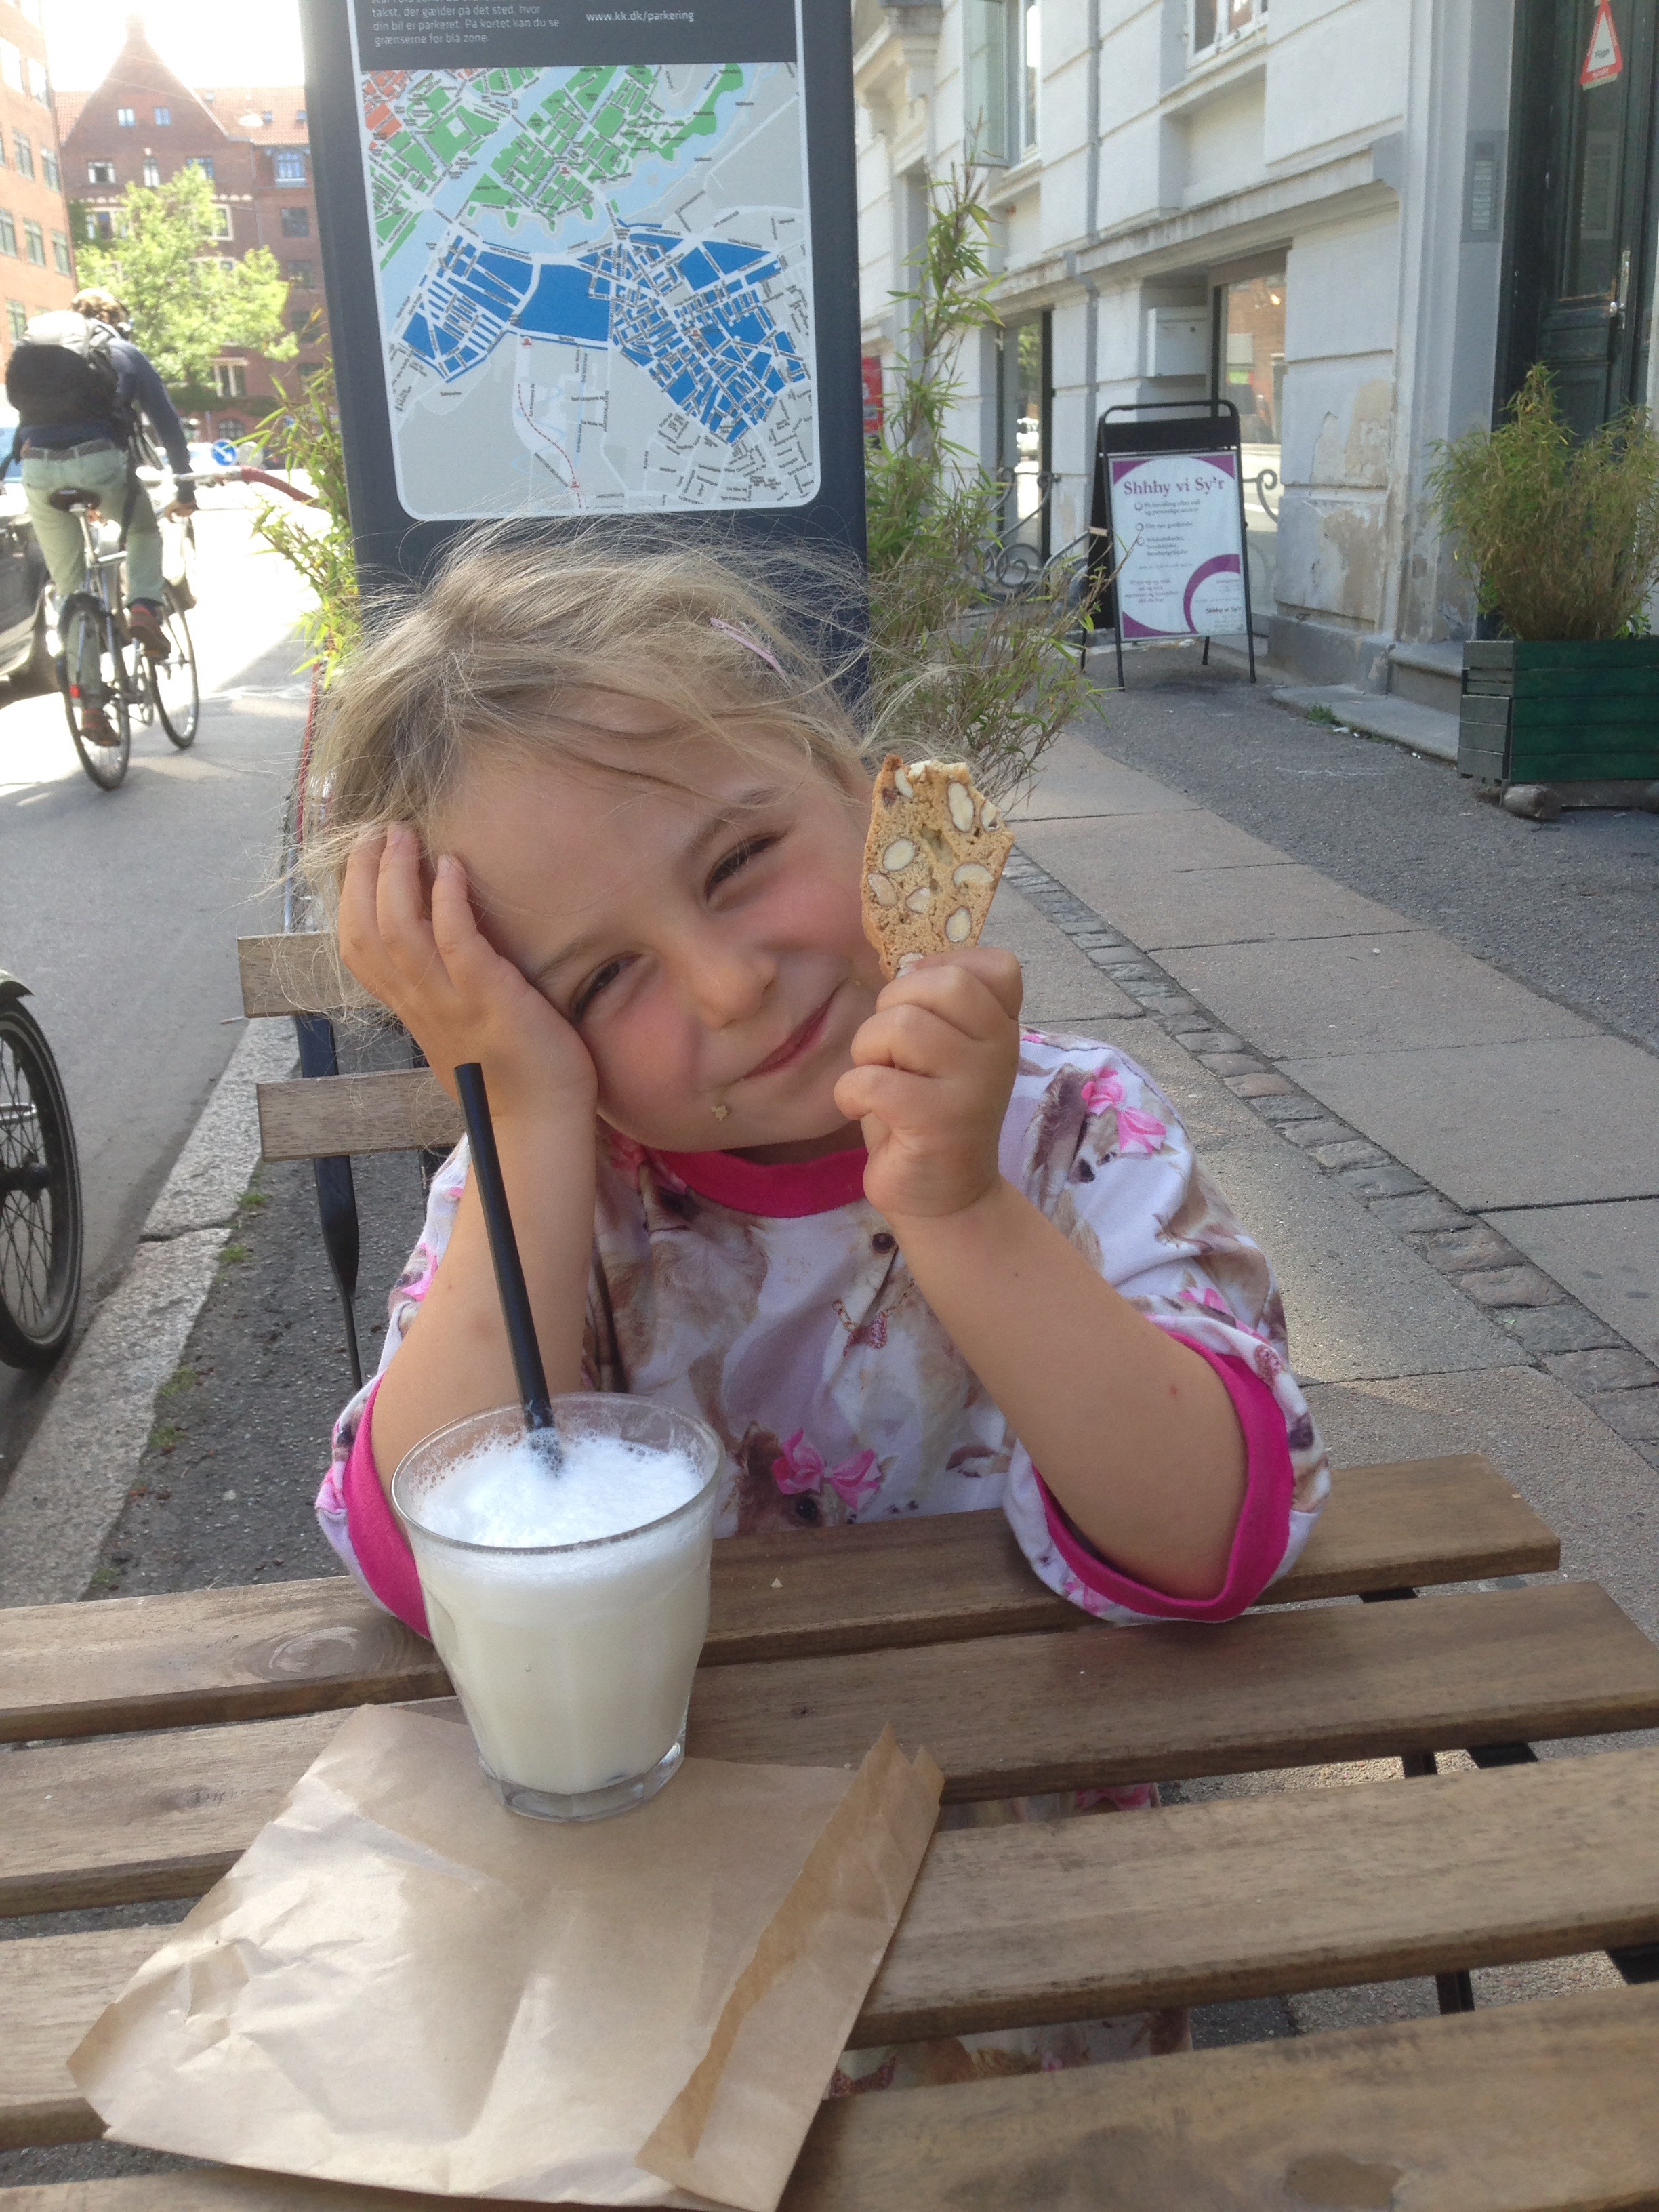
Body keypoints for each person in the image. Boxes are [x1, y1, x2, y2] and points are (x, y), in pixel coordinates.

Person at [309, 525, 1330, 2083]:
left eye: (737, 863)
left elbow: (1213, 1540)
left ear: (859, 789)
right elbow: (417, 1556)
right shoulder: (545, 1193)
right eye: (597, 985)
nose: (727, 984)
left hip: (1032, 1949)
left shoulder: (1071, 1132)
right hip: (669, 1960)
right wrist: (522, 1117)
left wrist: (962, 1210)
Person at [7, 286, 195, 745]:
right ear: (118, 320)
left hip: (38, 471)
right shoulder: (121, 350)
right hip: (100, 462)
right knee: (143, 531)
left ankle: (90, 704)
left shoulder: (44, 352)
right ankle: (143, 607)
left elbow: (24, 424)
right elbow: (166, 420)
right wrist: (185, 485)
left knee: (71, 588)